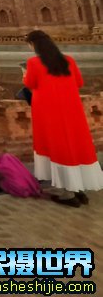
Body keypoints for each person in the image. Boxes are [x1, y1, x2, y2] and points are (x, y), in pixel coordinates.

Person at [24, 30, 103, 205]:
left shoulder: (34, 63)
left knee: (58, 147)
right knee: (75, 145)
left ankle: (70, 194)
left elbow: (29, 84)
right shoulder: (68, 60)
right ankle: (78, 189)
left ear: (34, 45)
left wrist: (25, 74)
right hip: (71, 110)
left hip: (48, 112)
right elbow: (79, 83)